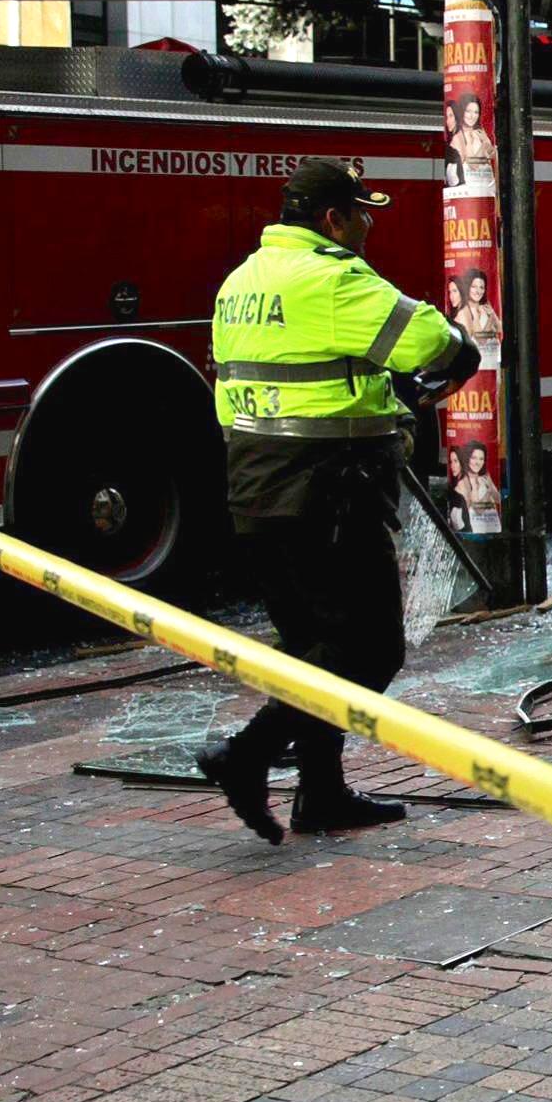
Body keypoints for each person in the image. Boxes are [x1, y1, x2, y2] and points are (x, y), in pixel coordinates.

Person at [196, 158, 479, 841]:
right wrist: (457, 349)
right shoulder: (333, 278)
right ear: (332, 219)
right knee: (370, 648)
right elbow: (428, 340)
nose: (368, 227)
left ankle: (320, 795)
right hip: (328, 493)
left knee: (310, 645)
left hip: (255, 489)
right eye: (361, 214)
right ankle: (247, 755)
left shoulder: (243, 281)